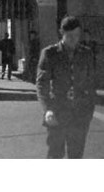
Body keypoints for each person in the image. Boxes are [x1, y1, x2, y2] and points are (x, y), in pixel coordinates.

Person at [36, 16, 96, 159]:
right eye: (69, 35)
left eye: (76, 35)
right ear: (61, 33)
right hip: (57, 112)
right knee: (55, 155)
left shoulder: (86, 53)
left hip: (80, 115)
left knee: (76, 155)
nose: (73, 39)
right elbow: (42, 83)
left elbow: (91, 82)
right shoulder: (50, 53)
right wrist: (47, 109)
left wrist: (89, 110)